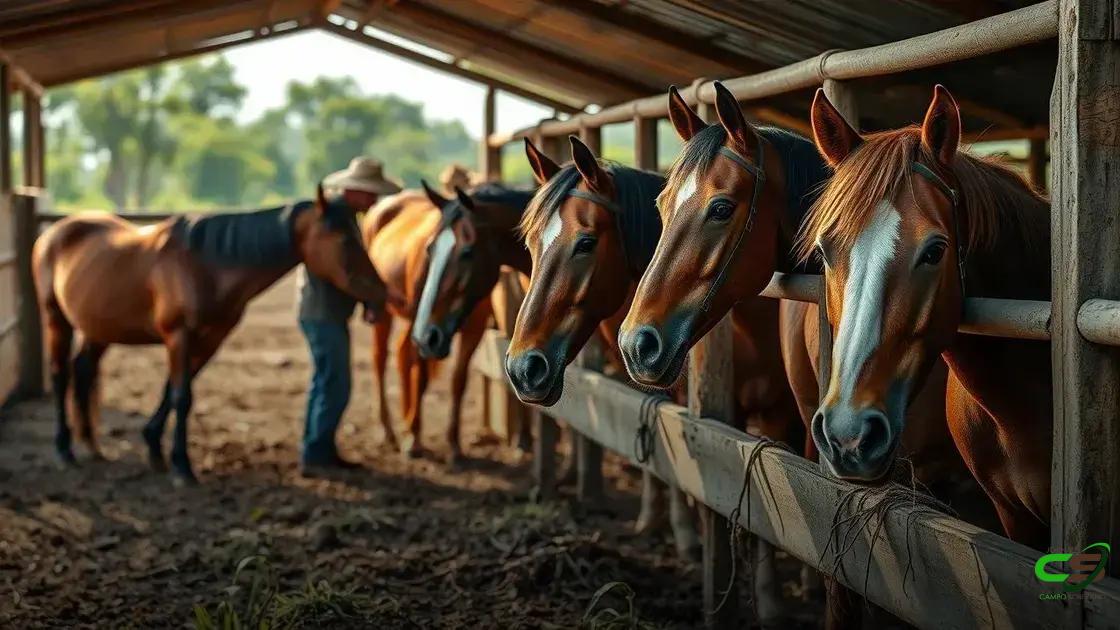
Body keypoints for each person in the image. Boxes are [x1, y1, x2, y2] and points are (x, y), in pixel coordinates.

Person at [298, 157, 401, 477]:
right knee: (335, 383)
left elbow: (354, 268)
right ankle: (317, 453)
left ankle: (317, 448)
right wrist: (380, 296)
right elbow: (344, 272)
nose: (375, 200)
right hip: (323, 312)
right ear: (355, 190)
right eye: (371, 193)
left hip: (322, 310)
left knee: (325, 381)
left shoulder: (341, 216)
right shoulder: (334, 220)